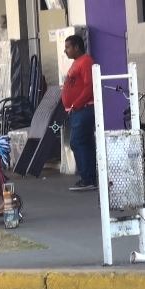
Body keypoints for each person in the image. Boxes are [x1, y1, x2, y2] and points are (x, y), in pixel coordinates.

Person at [61, 35, 97, 191]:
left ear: (76, 47)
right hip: (77, 110)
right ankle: (89, 178)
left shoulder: (86, 61)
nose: (65, 50)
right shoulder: (77, 63)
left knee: (77, 142)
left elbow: (89, 87)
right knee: (85, 143)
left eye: (68, 47)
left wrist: (76, 104)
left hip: (84, 109)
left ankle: (86, 178)